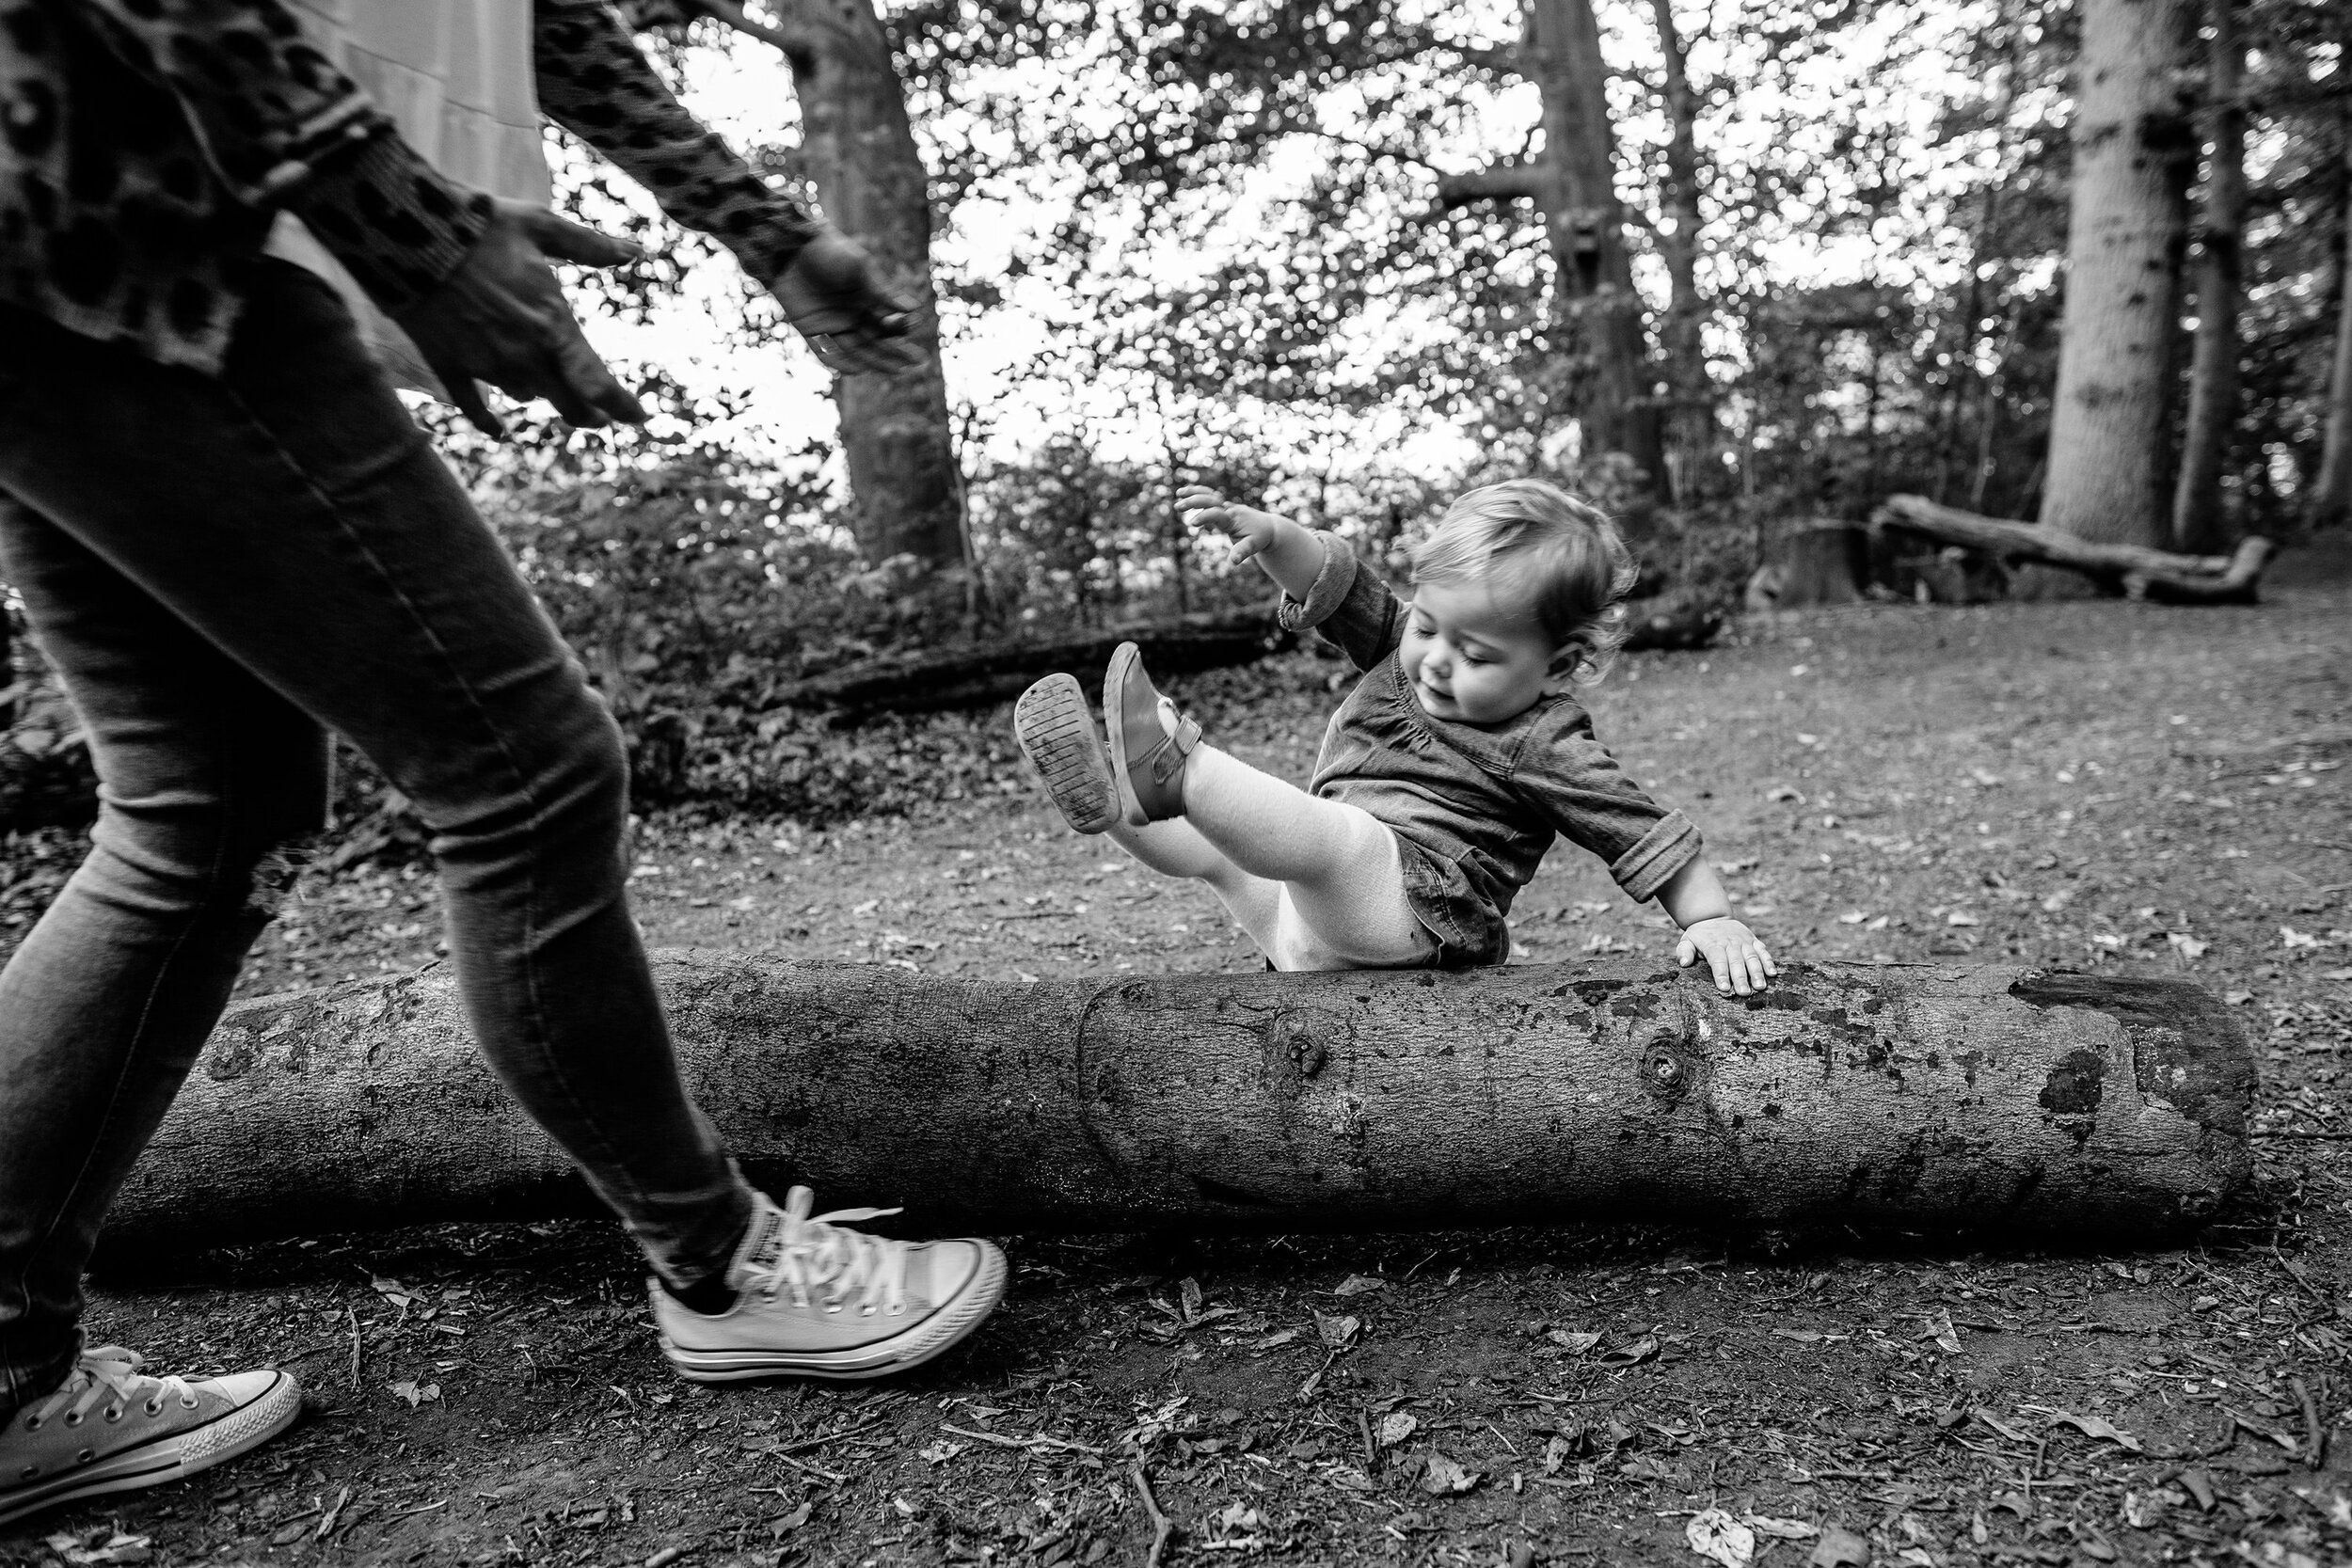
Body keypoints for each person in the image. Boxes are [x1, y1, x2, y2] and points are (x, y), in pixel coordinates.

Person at [0, 0, 1003, 1528]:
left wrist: (771, 235)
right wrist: (408, 232)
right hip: (137, 211)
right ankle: (723, 1265)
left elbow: (549, 23)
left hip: (74, 244)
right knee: (524, 770)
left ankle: (6, 1378)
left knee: (206, 817)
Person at [1012, 479, 1779, 990]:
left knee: (1340, 839)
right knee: (1221, 855)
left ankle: (1175, 764)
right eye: (1430, 625)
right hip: (1307, 924)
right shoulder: (1398, 645)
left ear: (1559, 666)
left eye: (1475, 653)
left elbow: (1641, 831)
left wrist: (1711, 919)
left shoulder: (1544, 737)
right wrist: (1276, 533)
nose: (1436, 661)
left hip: (1415, 915)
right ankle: (1114, 798)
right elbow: (1336, 582)